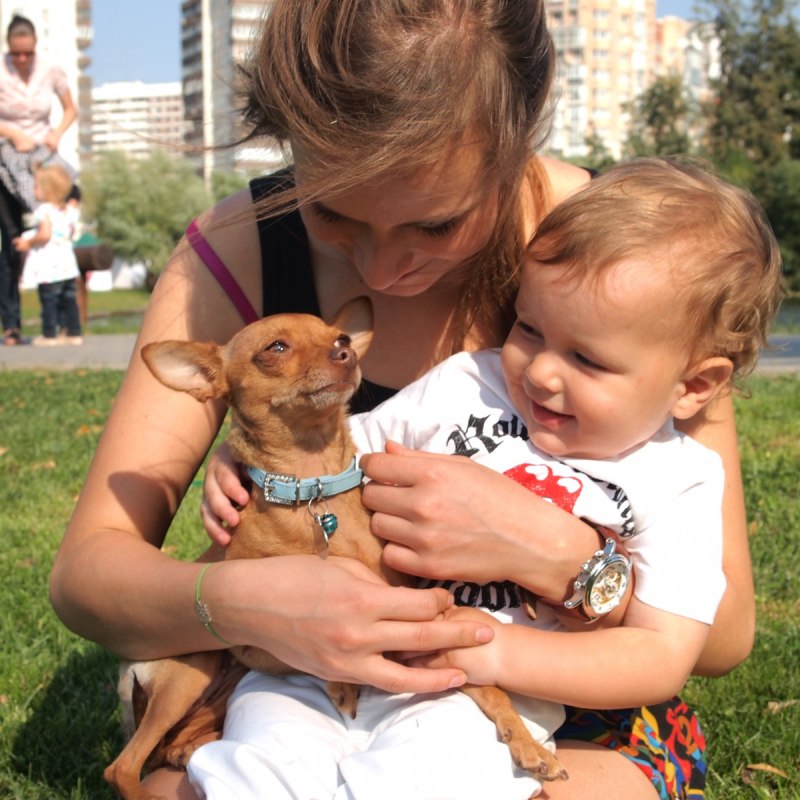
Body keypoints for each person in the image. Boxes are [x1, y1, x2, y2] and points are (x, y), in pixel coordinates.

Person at [48, 2, 756, 798]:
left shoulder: (630, 267)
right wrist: (247, 600)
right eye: (331, 210)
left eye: (438, 223)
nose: (382, 272)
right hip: (296, 682)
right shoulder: (242, 250)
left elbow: (722, 635)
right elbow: (86, 577)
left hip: (559, 691)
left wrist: (561, 558)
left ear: (519, 140)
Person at [186, 158, 783, 799]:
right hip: (332, 655)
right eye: (529, 328)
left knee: (427, 780)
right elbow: (338, 452)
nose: (541, 371)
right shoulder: (469, 382)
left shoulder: (680, 481)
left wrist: (490, 652)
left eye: (587, 359)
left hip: (473, 695)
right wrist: (254, 457)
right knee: (257, 760)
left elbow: (660, 656)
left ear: (694, 386)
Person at [0, 13, 78, 345]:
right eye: (15, 53)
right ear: (8, 48)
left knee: (72, 192)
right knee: (11, 243)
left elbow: (71, 109)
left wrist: (56, 133)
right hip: (5, 160)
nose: (22, 59)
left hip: (42, 159)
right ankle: (12, 325)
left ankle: (66, 320)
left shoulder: (50, 70)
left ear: (35, 47)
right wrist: (12, 133)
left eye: (27, 53)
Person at [12, 163, 83, 346]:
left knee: (49, 300)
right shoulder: (69, 211)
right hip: (68, 265)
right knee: (69, 300)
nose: (34, 190)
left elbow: (45, 234)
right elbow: (71, 232)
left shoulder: (44, 210)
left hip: (50, 266)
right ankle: (73, 333)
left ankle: (49, 334)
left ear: (47, 190)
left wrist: (28, 242)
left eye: (36, 186)